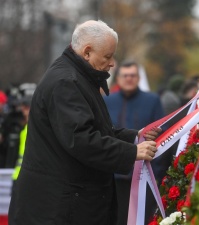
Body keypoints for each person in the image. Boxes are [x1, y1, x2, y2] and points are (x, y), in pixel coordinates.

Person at [8, 20, 160, 225]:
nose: (112, 62)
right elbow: (81, 139)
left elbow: (95, 129)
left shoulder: (76, 77)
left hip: (67, 201)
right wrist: (132, 152)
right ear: (87, 52)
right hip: (60, 207)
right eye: (108, 56)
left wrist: (134, 136)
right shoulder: (66, 82)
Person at [103, 61, 165, 225]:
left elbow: (161, 137)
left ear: (138, 78)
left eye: (133, 75)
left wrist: (157, 174)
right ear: (118, 78)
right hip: (113, 176)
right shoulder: (106, 101)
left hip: (144, 175)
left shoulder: (152, 101)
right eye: (125, 75)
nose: (129, 79)